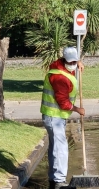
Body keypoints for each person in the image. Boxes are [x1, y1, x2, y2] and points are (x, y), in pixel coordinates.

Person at [40, 47, 85, 189]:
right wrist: (77, 109)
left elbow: (72, 62)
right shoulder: (59, 77)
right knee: (61, 147)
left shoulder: (60, 66)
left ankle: (54, 179)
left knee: (55, 147)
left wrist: (78, 62)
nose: (73, 64)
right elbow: (63, 102)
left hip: (55, 117)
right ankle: (59, 181)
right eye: (70, 62)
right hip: (55, 117)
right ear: (64, 60)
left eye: (74, 61)